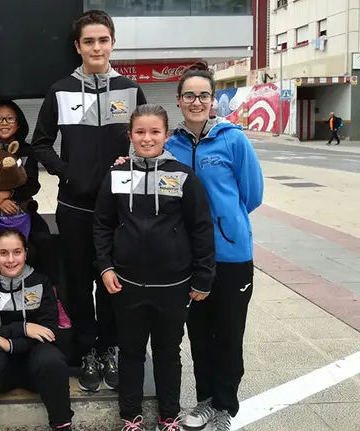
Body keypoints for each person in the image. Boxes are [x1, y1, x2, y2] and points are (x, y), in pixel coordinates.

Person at [117, 62, 264, 430]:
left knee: (228, 335)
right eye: (188, 95)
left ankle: (224, 407)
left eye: (203, 95)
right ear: (179, 101)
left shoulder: (234, 140)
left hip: (231, 257)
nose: (196, 101)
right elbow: (147, 165)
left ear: (213, 100)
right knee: (199, 335)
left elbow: (252, 195)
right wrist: (125, 162)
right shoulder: (173, 143)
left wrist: (223, 225)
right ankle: (203, 402)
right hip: (189, 261)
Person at [31, 9, 147, 391]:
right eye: (88, 41)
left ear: (112, 42)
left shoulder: (131, 90)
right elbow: (40, 143)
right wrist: (66, 171)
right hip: (75, 207)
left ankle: (110, 347)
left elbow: (146, 140)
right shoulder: (60, 90)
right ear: (77, 46)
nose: (96, 47)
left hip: (119, 210)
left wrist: (131, 161)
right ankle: (86, 352)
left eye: (103, 40)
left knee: (113, 283)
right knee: (78, 283)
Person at [94, 104, 215, 431]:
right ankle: (130, 417)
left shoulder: (182, 175)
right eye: (140, 132)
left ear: (165, 135)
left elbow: (201, 228)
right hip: (126, 283)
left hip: (173, 286)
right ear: (130, 135)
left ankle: (168, 416)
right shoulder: (117, 174)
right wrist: (105, 266)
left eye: (154, 132)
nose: (147, 139)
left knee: (167, 353)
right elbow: (102, 225)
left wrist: (203, 277)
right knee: (131, 351)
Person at [0, 100, 70, 327]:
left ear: (18, 124)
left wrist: (8, 196)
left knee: (46, 240)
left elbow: (33, 185)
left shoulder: (28, 151)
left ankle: (54, 297)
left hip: (23, 209)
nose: (4, 123)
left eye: (10, 118)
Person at [0, 228, 74, 431]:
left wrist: (9, 342)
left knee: (52, 358)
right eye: (3, 253)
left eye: (17, 252)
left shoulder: (41, 282)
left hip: (36, 370)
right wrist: (24, 328)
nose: (11, 259)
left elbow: (49, 332)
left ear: (26, 252)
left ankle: (62, 424)